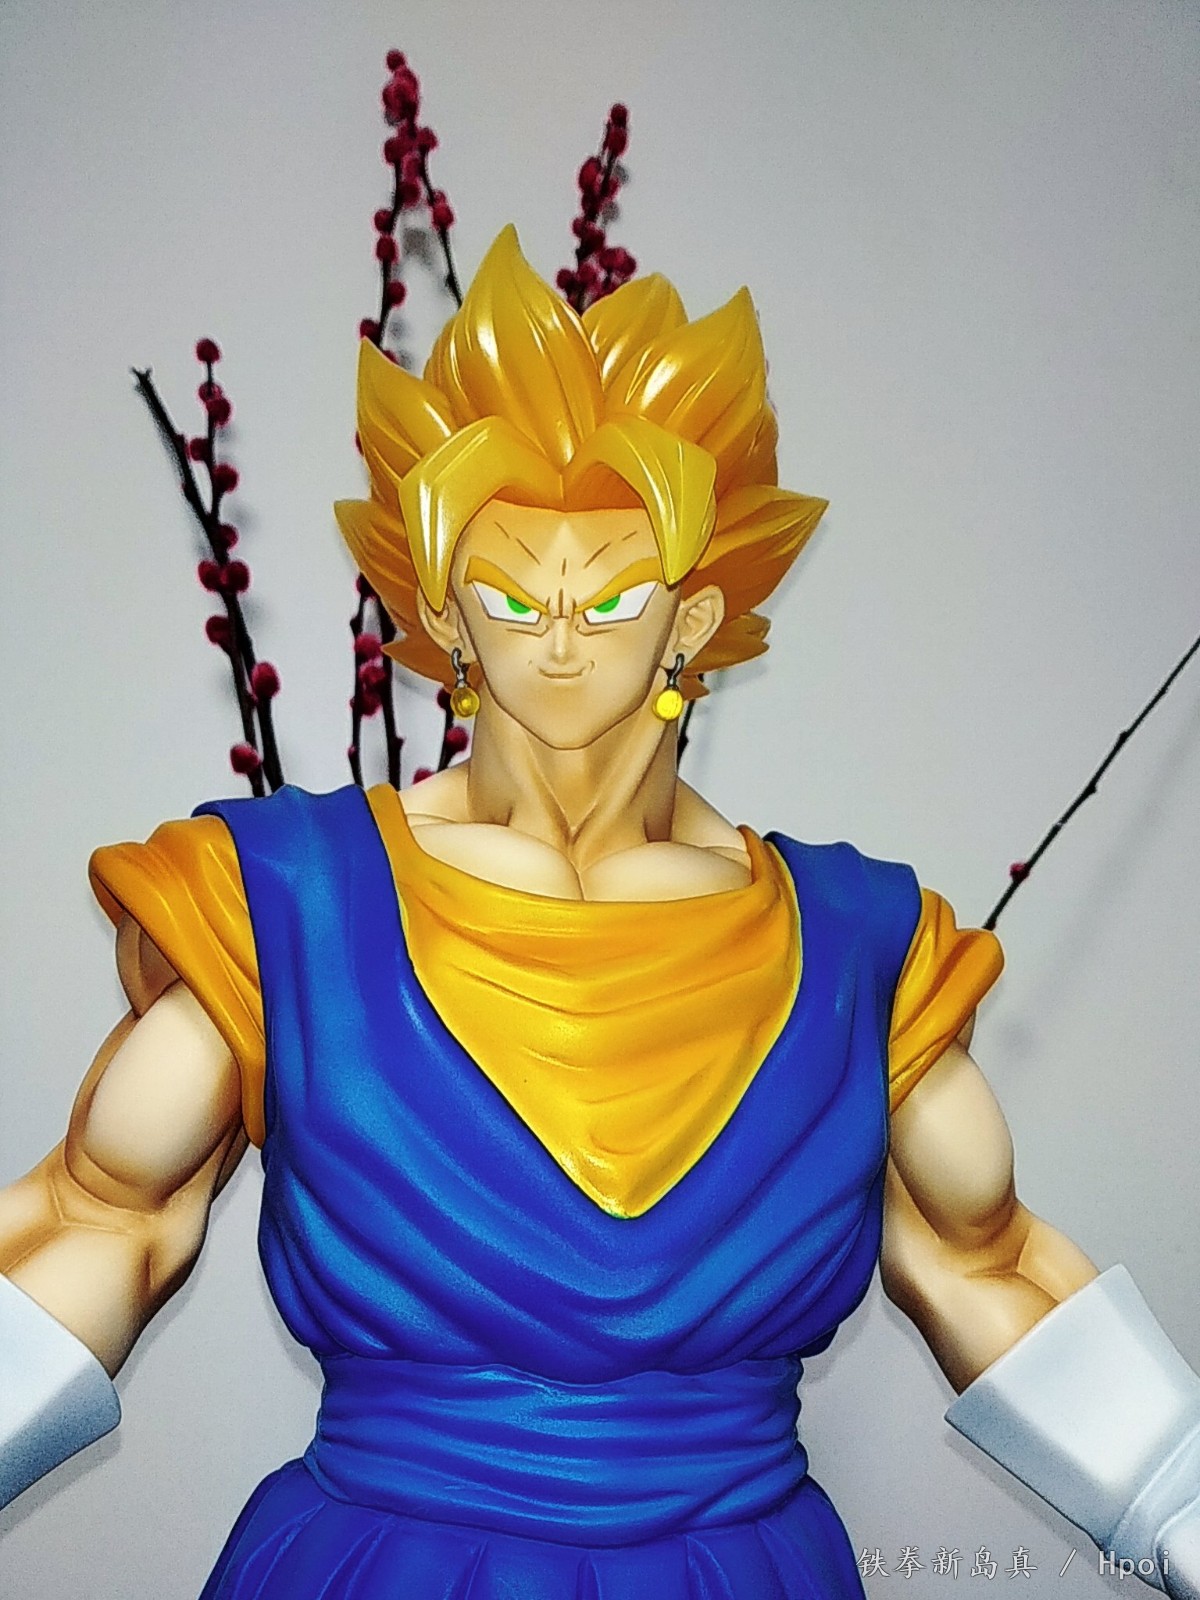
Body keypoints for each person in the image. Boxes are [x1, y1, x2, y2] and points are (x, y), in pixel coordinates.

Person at [1, 227, 1197, 1599]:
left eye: (613, 591)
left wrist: (1180, 1501)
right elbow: (96, 1219)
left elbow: (993, 1266)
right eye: (512, 594)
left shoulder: (857, 947)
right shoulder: (284, 902)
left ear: (693, 617)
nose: (560, 635)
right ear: (445, 614)